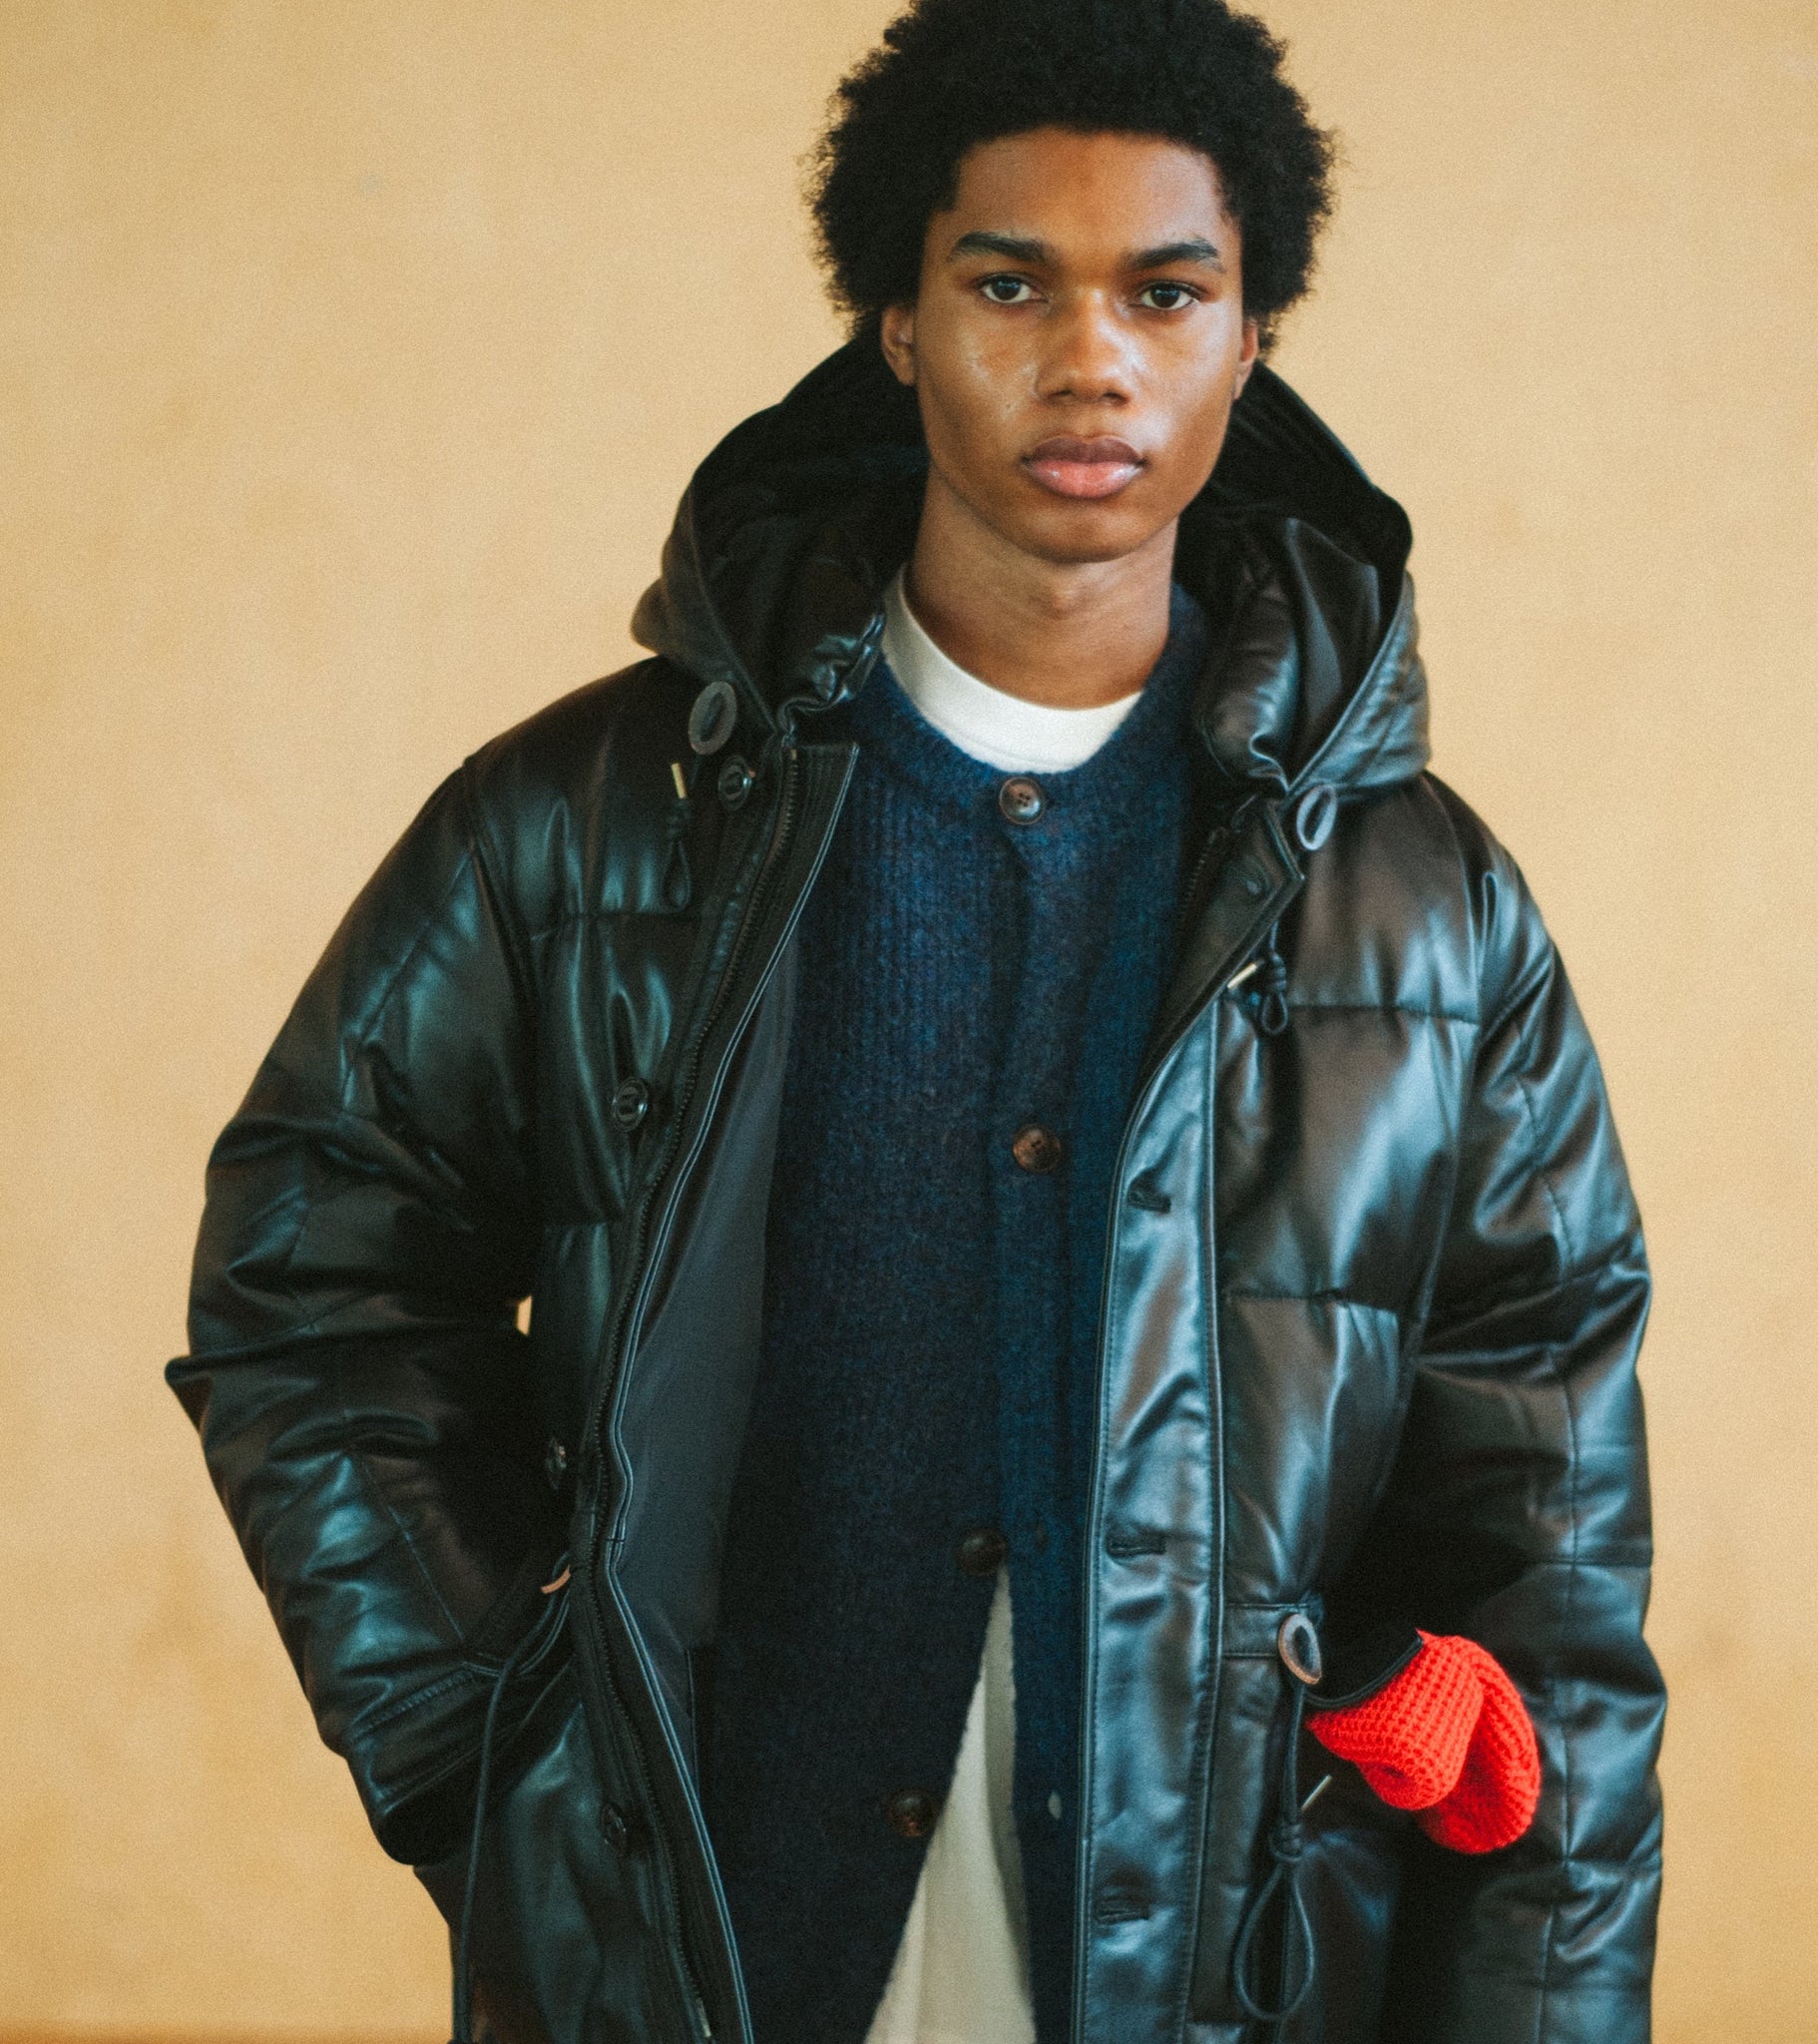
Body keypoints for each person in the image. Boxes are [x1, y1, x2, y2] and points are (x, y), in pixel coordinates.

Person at [170, 1, 1664, 2039]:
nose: (1091, 359)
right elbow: (311, 1280)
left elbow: (1550, 1559)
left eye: (1165, 292)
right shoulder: (586, 821)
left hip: (1220, 1955)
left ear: (1252, 338)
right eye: (1008, 284)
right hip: (714, 1935)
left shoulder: (1425, 910)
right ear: (896, 322)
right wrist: (494, 1741)